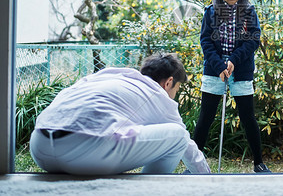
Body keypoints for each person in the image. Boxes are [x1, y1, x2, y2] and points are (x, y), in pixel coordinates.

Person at [29, 53, 210, 175]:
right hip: (85, 150)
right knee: (178, 136)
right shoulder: (158, 94)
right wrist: (207, 177)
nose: (174, 95)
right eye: (176, 89)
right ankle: (151, 190)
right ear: (168, 82)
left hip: (40, 147)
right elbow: (186, 145)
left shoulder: (107, 76)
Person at [193, 0, 271, 173]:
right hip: (214, 70)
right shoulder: (210, 12)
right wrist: (219, 65)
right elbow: (205, 42)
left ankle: (259, 164)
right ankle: (194, 166)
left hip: (241, 69)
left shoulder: (248, 11)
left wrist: (234, 60)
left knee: (248, 118)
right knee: (205, 118)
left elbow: (254, 39)